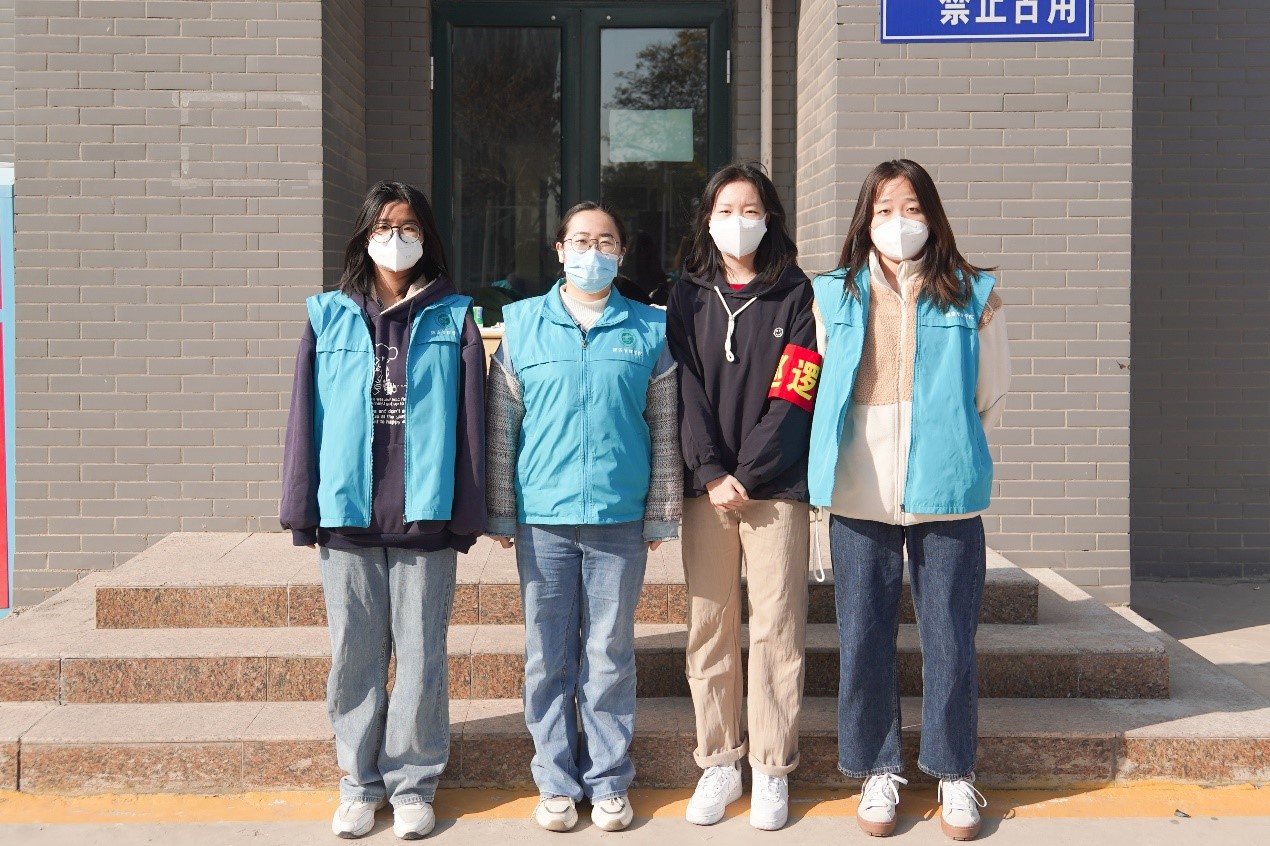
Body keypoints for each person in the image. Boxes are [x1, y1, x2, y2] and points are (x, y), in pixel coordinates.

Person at [808, 159, 1010, 841]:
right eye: (886, 209)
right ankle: (878, 767)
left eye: (913, 208)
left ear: (933, 215)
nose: (900, 222)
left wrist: (948, 445)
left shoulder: (974, 293)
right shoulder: (830, 294)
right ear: (865, 219)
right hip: (857, 487)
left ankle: (954, 771)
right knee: (864, 636)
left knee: (949, 637)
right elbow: (813, 383)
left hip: (946, 488)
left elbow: (992, 391)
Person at [280, 181, 486, 840]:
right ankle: (359, 783)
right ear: (364, 235)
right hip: (347, 513)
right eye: (384, 227)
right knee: (354, 655)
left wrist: (469, 511)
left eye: (409, 227)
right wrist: (301, 505)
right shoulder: (326, 316)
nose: (396, 239)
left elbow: (473, 423)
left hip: (425, 513)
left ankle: (414, 783)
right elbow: (304, 418)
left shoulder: (454, 317)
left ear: (427, 237)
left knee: (422, 656)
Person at [485, 201, 681, 832]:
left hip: (618, 518)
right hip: (542, 518)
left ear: (621, 253)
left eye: (605, 241)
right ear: (559, 250)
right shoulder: (522, 324)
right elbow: (502, 426)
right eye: (580, 240)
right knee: (547, 656)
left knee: (609, 652)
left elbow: (665, 426)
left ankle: (609, 779)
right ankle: (555, 781)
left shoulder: (650, 328)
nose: (591, 252)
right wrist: (501, 512)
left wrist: (660, 513)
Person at [665, 163, 819, 832]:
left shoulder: (796, 294)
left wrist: (749, 474)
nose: (738, 221)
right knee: (710, 625)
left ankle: (771, 768)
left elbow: (796, 392)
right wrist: (709, 471)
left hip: (775, 488)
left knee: (778, 627)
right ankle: (720, 762)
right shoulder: (686, 296)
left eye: (750, 209)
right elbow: (683, 389)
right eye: (726, 210)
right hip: (707, 490)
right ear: (708, 220)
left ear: (770, 218)